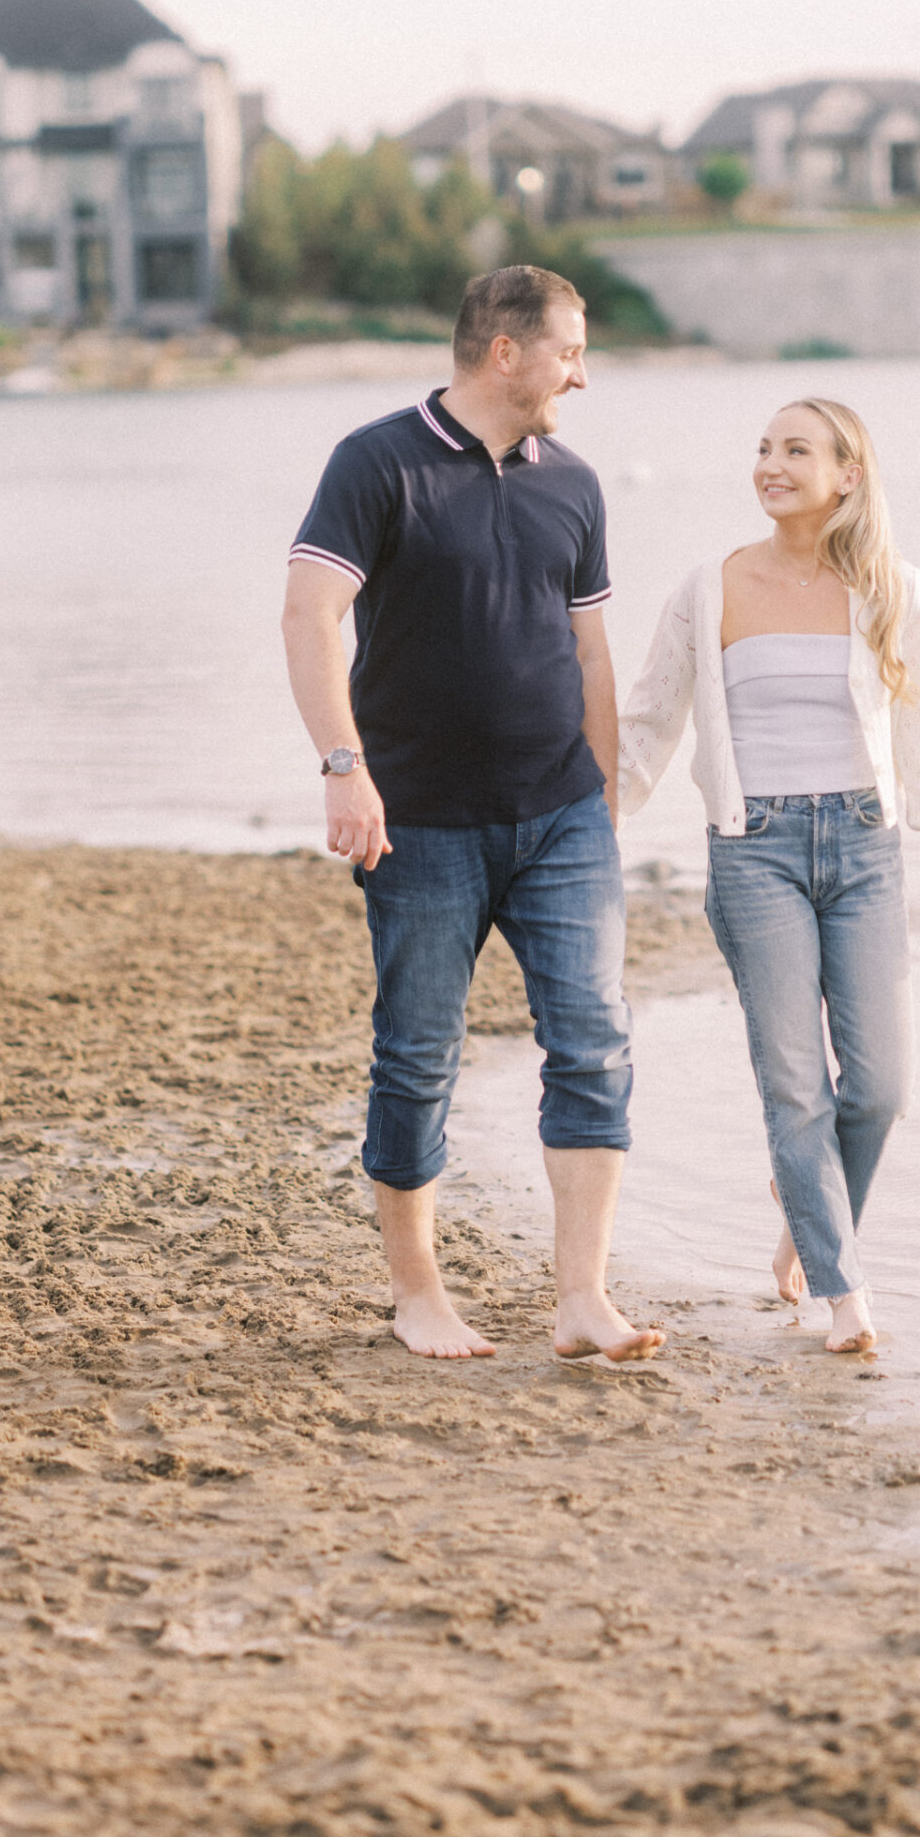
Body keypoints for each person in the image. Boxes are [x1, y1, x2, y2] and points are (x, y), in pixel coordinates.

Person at [281, 264, 662, 1366]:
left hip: (561, 815)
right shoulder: (377, 461)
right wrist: (342, 766)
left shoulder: (575, 485)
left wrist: (606, 798)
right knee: (417, 1056)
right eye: (571, 350)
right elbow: (309, 615)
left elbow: (589, 649)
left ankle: (582, 1298)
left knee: (593, 1044)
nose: (581, 374)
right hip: (422, 821)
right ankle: (418, 1294)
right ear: (508, 352)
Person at [618, 397, 920, 1354]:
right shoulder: (709, 587)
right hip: (755, 850)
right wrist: (587, 824)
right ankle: (843, 1294)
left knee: (880, 1090)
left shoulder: (896, 589)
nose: (772, 464)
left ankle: (805, 1211)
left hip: (866, 844)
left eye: (796, 450)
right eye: (764, 449)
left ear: (846, 475)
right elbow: (650, 718)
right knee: (796, 1091)